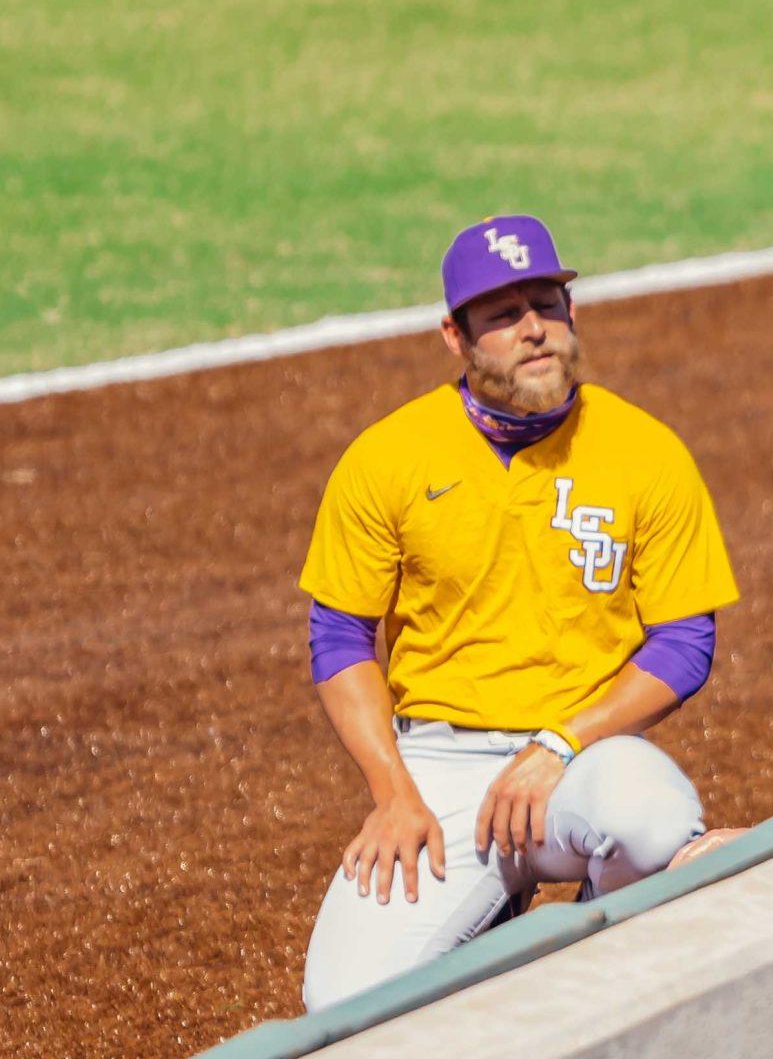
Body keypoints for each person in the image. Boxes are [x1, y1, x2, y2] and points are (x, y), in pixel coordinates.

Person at [296, 214, 739, 1011]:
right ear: (454, 334)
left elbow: (685, 640)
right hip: (441, 768)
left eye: (547, 301)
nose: (533, 328)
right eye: (502, 314)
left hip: (581, 759)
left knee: (651, 820)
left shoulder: (644, 450)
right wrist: (393, 790)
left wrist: (561, 741)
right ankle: (496, 922)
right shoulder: (389, 456)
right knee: (343, 1004)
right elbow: (339, 635)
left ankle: (587, 981)